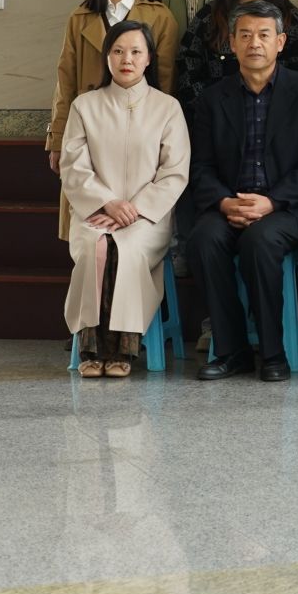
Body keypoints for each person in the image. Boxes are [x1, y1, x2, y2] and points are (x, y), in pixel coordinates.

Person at [184, 1, 298, 382]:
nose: (254, 43)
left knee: (260, 241)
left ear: (280, 42)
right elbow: (201, 166)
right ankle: (231, 351)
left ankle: (272, 353)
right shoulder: (212, 99)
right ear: (232, 43)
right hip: (230, 203)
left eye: (264, 35)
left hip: (289, 207)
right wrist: (224, 202)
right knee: (203, 239)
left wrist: (271, 202)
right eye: (245, 35)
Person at [57, 19, 190, 377]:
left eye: (135, 51)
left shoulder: (167, 108)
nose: (126, 59)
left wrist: (136, 209)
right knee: (96, 248)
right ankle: (91, 349)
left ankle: (123, 349)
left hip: (147, 219)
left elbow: (174, 172)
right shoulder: (85, 106)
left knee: (126, 248)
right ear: (107, 57)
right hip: (95, 214)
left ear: (149, 58)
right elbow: (73, 167)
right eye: (117, 51)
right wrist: (106, 203)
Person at [47, 0, 181, 180]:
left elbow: (166, 84)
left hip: (142, 134)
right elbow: (65, 82)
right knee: (88, 194)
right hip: (87, 129)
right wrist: (57, 138)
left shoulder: (160, 17)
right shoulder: (80, 17)